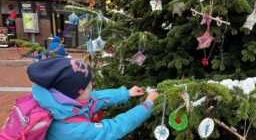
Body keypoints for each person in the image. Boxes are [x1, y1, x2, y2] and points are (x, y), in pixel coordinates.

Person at [27, 56, 159, 140]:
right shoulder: (74, 130)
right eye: (87, 87)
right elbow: (113, 128)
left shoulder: (61, 102)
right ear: (73, 95)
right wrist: (146, 106)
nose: (92, 86)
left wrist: (126, 94)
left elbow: (95, 98)